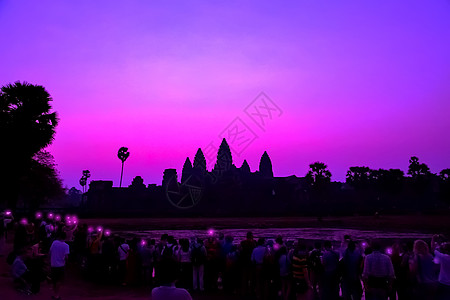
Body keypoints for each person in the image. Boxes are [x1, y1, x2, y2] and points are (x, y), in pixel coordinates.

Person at [49, 231, 70, 300]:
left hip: (53, 264)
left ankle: (55, 293)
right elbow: (66, 257)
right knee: (59, 280)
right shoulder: (66, 246)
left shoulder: (54, 243)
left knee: (54, 280)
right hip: (61, 265)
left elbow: (50, 252)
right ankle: (56, 295)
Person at [432, 235, 450, 300]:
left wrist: (433, 238)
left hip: (442, 282)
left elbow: (433, 248)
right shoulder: (443, 257)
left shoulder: (443, 257)